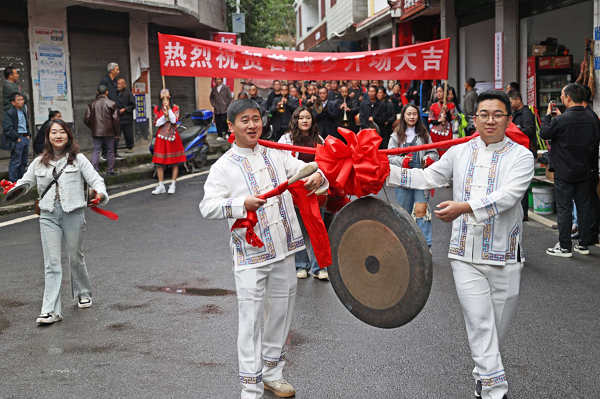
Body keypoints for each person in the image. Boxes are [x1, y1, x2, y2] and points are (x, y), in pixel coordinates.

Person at [388, 90, 534, 399]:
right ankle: (496, 392)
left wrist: (464, 208)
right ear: (474, 119)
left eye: (497, 114)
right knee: (480, 323)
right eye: (484, 114)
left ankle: (483, 377)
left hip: (505, 257)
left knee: (494, 331)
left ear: (508, 118)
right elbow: (425, 177)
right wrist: (380, 171)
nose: (490, 120)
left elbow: (508, 197)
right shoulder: (460, 151)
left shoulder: (522, 156)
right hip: (464, 254)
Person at [199, 99, 328, 399]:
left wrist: (318, 176)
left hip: (285, 250)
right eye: (244, 120)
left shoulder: (276, 155)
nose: (252, 125)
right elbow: (207, 206)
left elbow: (309, 169)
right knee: (251, 319)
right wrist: (241, 204)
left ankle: (273, 373)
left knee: (281, 314)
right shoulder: (223, 167)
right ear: (231, 126)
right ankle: (250, 386)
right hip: (250, 255)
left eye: (256, 118)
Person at [13, 119, 108, 325]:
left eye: (62, 132)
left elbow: (96, 180)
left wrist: (100, 194)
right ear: (47, 137)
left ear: (68, 135)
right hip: (48, 215)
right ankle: (50, 311)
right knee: (52, 263)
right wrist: (12, 188)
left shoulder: (79, 160)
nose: (58, 135)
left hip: (73, 213)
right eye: (53, 132)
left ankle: (83, 292)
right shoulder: (38, 162)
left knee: (75, 257)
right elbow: (24, 183)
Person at [541, 84, 598, 257]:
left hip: (564, 170)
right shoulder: (591, 118)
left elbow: (545, 133)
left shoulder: (561, 120)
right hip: (585, 169)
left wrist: (547, 117)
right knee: (583, 207)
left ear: (568, 98)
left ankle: (565, 246)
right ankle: (583, 245)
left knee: (564, 208)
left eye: (562, 95)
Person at [278, 106, 329, 280]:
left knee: (316, 226)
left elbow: (326, 163)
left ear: (312, 121)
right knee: (297, 228)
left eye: (308, 118)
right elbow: (279, 162)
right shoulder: (286, 139)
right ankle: (301, 265)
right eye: (301, 118)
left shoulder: (319, 139)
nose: (305, 121)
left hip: (315, 189)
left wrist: (319, 175)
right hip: (293, 190)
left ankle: (319, 267)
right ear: (296, 120)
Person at [387, 103, 439, 249]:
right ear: (403, 115)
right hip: (402, 177)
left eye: (414, 114)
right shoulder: (395, 136)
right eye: (409, 114)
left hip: (421, 177)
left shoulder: (425, 134)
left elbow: (434, 153)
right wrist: (401, 161)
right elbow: (388, 157)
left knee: (421, 210)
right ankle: (406, 246)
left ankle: (425, 246)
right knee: (404, 213)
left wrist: (428, 159)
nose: (412, 116)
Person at [508, 90, 537, 221]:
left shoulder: (526, 114)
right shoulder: (514, 114)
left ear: (518, 99)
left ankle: (524, 212)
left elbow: (529, 130)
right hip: (517, 150)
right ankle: (519, 211)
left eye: (511, 101)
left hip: (526, 151)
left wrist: (516, 131)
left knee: (522, 183)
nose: (510, 104)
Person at [151, 89, 186, 195]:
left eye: (166, 92)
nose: (164, 93)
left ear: (170, 96)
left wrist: (169, 109)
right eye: (162, 92)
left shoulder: (175, 107)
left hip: (172, 137)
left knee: (175, 162)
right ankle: (161, 185)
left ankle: (173, 184)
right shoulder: (157, 108)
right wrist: (164, 117)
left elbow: (174, 120)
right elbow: (156, 123)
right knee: (158, 163)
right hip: (161, 137)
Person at [579, 84, 600, 244]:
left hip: (588, 165)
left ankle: (592, 233)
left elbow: (591, 143)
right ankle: (587, 231)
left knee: (590, 201)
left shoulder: (589, 116)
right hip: (587, 164)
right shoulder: (588, 115)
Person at [84, 85, 119, 176]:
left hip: (96, 131)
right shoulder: (112, 103)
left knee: (96, 150)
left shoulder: (91, 104)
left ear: (97, 92)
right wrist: (117, 132)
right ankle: (110, 170)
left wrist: (93, 127)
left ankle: (95, 170)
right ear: (107, 92)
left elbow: (86, 119)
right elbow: (116, 120)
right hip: (109, 131)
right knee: (110, 151)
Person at [1, 93, 31, 181]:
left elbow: (26, 125)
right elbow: (7, 128)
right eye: (19, 100)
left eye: (22, 100)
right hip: (18, 139)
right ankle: (13, 182)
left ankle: (21, 180)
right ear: (13, 102)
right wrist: (17, 138)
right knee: (16, 161)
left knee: (24, 162)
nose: (21, 102)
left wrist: (29, 135)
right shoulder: (10, 113)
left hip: (25, 137)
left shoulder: (23, 112)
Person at [99, 62, 120, 161]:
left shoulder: (115, 81)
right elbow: (99, 94)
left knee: (115, 132)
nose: (118, 71)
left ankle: (114, 152)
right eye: (117, 69)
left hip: (114, 109)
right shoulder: (105, 81)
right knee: (106, 132)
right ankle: (104, 153)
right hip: (107, 111)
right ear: (112, 71)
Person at [428, 84, 456, 156]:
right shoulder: (433, 106)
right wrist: (439, 121)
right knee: (434, 152)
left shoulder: (451, 105)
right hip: (435, 132)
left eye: (440, 91)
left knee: (446, 153)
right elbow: (430, 120)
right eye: (437, 92)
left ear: (445, 93)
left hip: (446, 132)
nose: (438, 94)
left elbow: (451, 119)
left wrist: (447, 111)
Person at [116, 78, 135, 154]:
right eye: (117, 84)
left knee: (128, 133)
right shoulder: (115, 93)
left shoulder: (128, 93)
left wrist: (125, 109)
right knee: (116, 135)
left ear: (124, 85)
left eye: (120, 84)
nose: (118, 85)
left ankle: (129, 147)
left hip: (126, 118)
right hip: (117, 118)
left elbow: (133, 105)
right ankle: (114, 149)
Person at [210, 77, 233, 141]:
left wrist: (226, 104)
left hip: (224, 109)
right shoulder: (214, 89)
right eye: (216, 79)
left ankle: (227, 133)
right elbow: (211, 97)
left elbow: (229, 97)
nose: (217, 81)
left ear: (222, 80)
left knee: (224, 121)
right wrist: (213, 104)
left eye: (219, 79)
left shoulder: (226, 88)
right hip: (217, 109)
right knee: (217, 122)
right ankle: (219, 135)